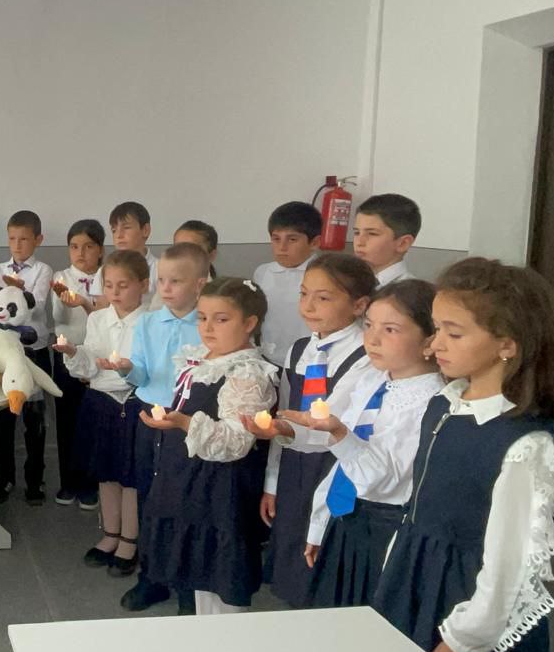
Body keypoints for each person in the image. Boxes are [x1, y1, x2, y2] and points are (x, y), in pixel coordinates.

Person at [373, 258, 554, 652]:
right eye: (436, 329)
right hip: (414, 583)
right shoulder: (444, 404)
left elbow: (507, 574)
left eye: (454, 333)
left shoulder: (525, 445)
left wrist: (461, 645)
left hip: (468, 604)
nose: (436, 344)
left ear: (507, 344)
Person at [266, 280, 444, 608]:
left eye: (390, 330)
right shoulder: (374, 379)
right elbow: (342, 467)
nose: (372, 339)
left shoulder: (432, 402)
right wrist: (319, 523)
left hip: (384, 530)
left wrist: (339, 435)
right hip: (345, 520)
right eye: (369, 325)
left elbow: (380, 478)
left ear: (430, 340)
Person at [139, 278, 278, 614]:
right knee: (191, 571)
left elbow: (236, 441)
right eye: (202, 318)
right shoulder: (201, 358)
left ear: (249, 323)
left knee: (215, 575)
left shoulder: (247, 373)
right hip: (187, 478)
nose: (208, 328)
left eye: (221, 319)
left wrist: (186, 423)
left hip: (218, 487)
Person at [262, 253, 376, 608]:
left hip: (333, 466)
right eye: (304, 294)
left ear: (359, 305)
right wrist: (271, 483)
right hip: (294, 467)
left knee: (323, 559)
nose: (308, 306)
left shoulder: (366, 355)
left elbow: (333, 426)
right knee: (291, 553)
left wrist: (285, 428)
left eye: (323, 297)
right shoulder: (299, 349)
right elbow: (285, 412)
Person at [110, 242, 210, 612]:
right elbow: (142, 373)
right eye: (161, 280)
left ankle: (187, 584)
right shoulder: (149, 322)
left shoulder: (207, 325)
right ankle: (151, 576)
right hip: (150, 417)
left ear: (199, 284)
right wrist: (126, 369)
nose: (165, 288)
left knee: (185, 500)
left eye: (175, 281)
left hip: (187, 419)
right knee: (148, 496)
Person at [55, 250, 148, 572]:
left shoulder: (150, 322)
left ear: (143, 285)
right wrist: (73, 353)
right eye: (109, 286)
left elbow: (151, 369)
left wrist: (127, 369)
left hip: (134, 401)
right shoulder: (97, 318)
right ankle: (110, 534)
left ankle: (130, 540)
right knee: (106, 474)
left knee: (131, 477)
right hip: (102, 401)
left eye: (123, 285)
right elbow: (91, 364)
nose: (115, 292)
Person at [0, 210, 54, 505]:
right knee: (3, 419)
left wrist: (19, 292)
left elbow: (37, 307)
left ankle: (35, 480)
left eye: (24, 239)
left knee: (35, 420)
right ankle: (5, 477)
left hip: (34, 351)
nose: (18, 245)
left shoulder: (43, 270)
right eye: (12, 239)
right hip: (4, 353)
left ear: (38, 239)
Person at [50, 219, 106, 509]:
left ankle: (91, 485)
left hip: (98, 357)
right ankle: (68, 482)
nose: (81, 253)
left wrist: (84, 301)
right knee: (67, 419)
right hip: (67, 355)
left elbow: (106, 317)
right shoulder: (62, 276)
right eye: (74, 247)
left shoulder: (108, 277)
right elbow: (58, 319)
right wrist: (61, 299)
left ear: (100, 249)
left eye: (88, 246)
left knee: (94, 422)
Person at [252, 201, 322, 367]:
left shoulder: (325, 275)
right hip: (268, 358)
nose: (282, 247)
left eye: (292, 239)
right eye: (276, 239)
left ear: (314, 242)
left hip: (310, 361)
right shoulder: (262, 272)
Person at [353, 193, 421, 285]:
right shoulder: (348, 282)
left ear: (403, 243)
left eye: (372, 234)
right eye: (357, 233)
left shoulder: (412, 291)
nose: (359, 242)